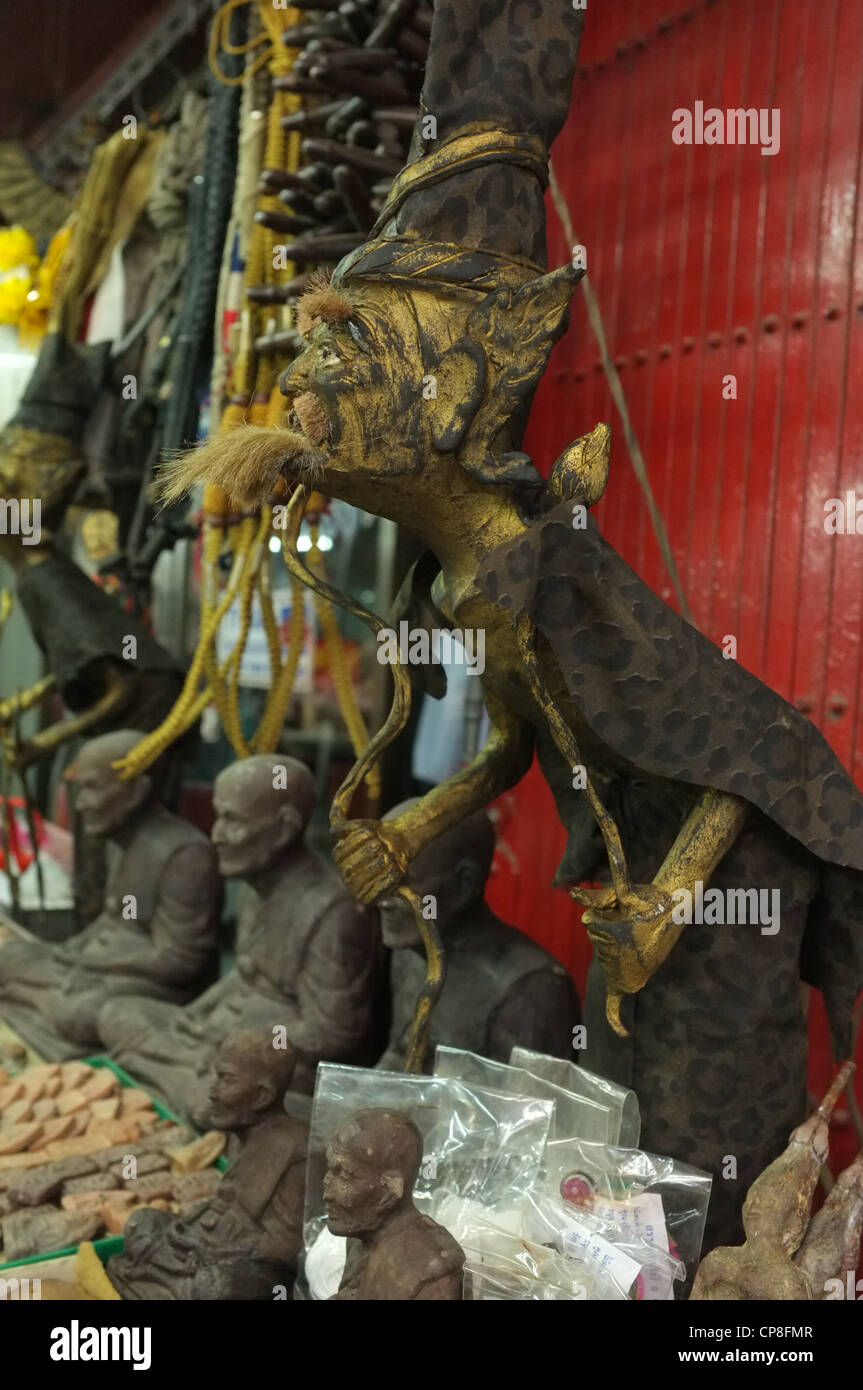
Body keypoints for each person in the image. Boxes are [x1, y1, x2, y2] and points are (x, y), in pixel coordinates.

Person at [99, 754, 380, 1119]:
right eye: (219, 816)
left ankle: (157, 1074)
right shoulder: (255, 883)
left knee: (220, 1097)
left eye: (232, 821)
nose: (216, 834)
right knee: (115, 1013)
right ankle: (167, 1073)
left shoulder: (333, 910)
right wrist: (195, 1015)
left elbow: (332, 1031)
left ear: (283, 828)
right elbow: (244, 973)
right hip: (219, 1032)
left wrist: (243, 1047)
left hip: (276, 1059)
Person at [0, 729, 219, 1058]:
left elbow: (179, 960)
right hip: (97, 966)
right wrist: (70, 953)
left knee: (80, 1014)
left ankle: (34, 1002)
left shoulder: (185, 855)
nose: (80, 803)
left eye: (91, 788)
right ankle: (36, 998)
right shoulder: (121, 840)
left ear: (136, 792)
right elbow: (119, 920)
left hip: (147, 981)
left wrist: (97, 969)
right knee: (10, 957)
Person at [376, 802, 578, 1070]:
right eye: (381, 879)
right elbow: (397, 1060)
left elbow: (524, 1107)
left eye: (403, 884)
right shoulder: (411, 949)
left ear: (464, 883)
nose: (382, 900)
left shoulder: (532, 992)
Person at [108, 1031, 308, 1301]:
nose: (212, 1092)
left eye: (226, 1080)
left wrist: (213, 1250)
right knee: (141, 1223)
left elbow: (286, 1249)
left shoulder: (296, 1149)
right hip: (206, 1245)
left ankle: (163, 1285)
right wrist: (194, 1232)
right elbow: (221, 1206)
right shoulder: (240, 1133)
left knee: (214, 1287)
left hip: (246, 1265)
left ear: (262, 1095)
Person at [324, 1108, 463, 1300]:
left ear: (389, 1191)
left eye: (347, 1175)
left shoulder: (431, 1267)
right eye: (331, 1169)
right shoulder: (360, 1236)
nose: (328, 1193)